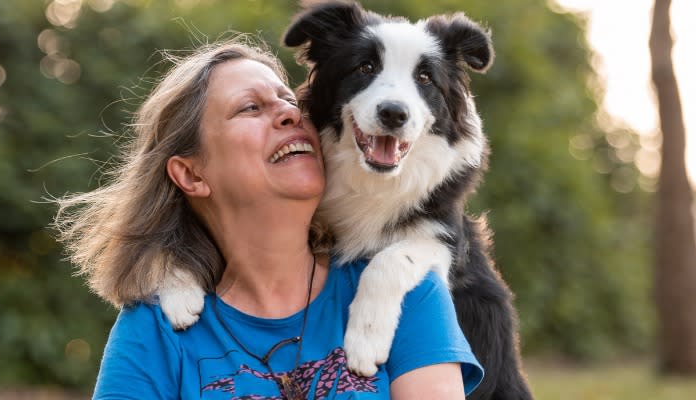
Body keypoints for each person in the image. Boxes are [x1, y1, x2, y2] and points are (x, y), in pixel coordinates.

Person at [54, 37, 484, 399]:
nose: (291, 114)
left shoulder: (406, 286)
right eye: (250, 109)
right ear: (190, 173)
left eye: (286, 100)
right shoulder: (153, 329)